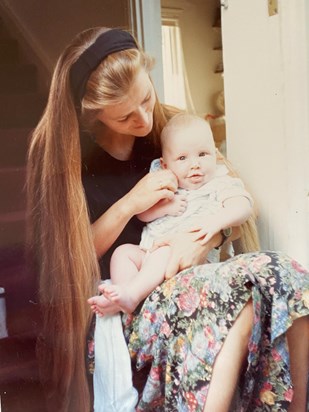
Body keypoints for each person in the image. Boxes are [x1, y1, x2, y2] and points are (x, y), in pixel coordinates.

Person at [26, 27, 309, 412]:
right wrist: (130, 202)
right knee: (241, 301)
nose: (144, 118)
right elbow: (70, 256)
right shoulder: (70, 160)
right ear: (94, 115)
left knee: (290, 277)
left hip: (189, 273)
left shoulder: (172, 131)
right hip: (125, 297)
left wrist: (200, 241)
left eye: (146, 97)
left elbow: (226, 198)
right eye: (126, 116)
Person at [89, 113, 253, 314]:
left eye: (203, 154)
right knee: (123, 253)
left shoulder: (218, 183)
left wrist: (216, 222)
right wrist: (163, 207)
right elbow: (143, 215)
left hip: (185, 259)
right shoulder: (166, 184)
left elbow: (243, 206)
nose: (195, 164)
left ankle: (132, 294)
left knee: (165, 251)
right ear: (165, 165)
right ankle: (125, 295)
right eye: (182, 158)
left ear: (216, 154)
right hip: (148, 253)